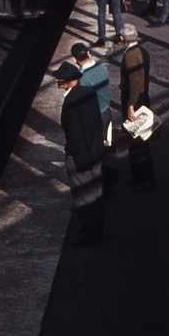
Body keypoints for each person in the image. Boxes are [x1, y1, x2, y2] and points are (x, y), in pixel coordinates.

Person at [52, 59, 105, 243]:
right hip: (96, 152)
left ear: (68, 81)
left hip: (80, 156)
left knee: (83, 196)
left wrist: (72, 154)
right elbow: (95, 123)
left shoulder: (71, 102)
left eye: (59, 79)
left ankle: (91, 233)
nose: (56, 81)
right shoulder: (88, 93)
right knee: (96, 193)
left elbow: (74, 133)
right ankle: (98, 228)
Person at [120, 22, 155, 189]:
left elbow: (134, 83)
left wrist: (130, 106)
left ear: (122, 38)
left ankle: (142, 178)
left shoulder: (130, 56)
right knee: (141, 140)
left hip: (136, 103)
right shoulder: (143, 51)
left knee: (136, 142)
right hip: (144, 99)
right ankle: (142, 176)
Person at [71, 41, 112, 146]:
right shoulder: (101, 67)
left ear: (74, 59)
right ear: (88, 53)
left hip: (93, 118)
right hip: (106, 112)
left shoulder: (82, 79)